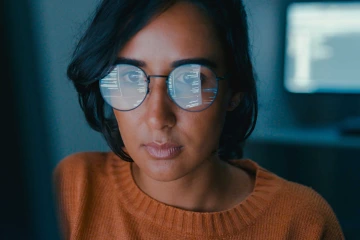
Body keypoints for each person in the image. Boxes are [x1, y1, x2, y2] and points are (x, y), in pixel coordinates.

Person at [52, 0, 345, 239]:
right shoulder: (71, 190)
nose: (157, 118)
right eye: (128, 78)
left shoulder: (302, 222)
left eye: (191, 80)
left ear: (235, 92)